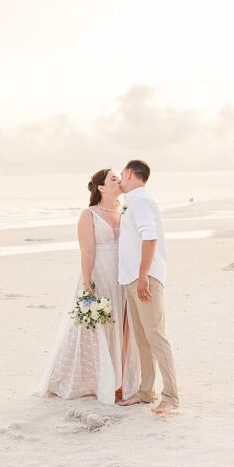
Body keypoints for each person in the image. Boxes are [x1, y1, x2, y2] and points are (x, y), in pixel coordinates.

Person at [38, 169, 140, 404]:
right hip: (99, 274)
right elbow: (87, 251)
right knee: (94, 328)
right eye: (114, 178)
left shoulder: (123, 211)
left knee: (124, 326)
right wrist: (87, 284)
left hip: (122, 275)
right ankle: (78, 380)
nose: (119, 180)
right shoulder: (89, 214)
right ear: (101, 188)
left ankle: (120, 381)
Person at [117, 159, 179, 414]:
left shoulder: (141, 200)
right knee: (142, 339)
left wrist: (143, 275)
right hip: (133, 277)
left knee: (155, 336)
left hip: (145, 277)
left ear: (130, 174)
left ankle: (171, 396)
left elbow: (150, 237)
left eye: (122, 175)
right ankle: (146, 392)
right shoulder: (133, 201)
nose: (120, 179)